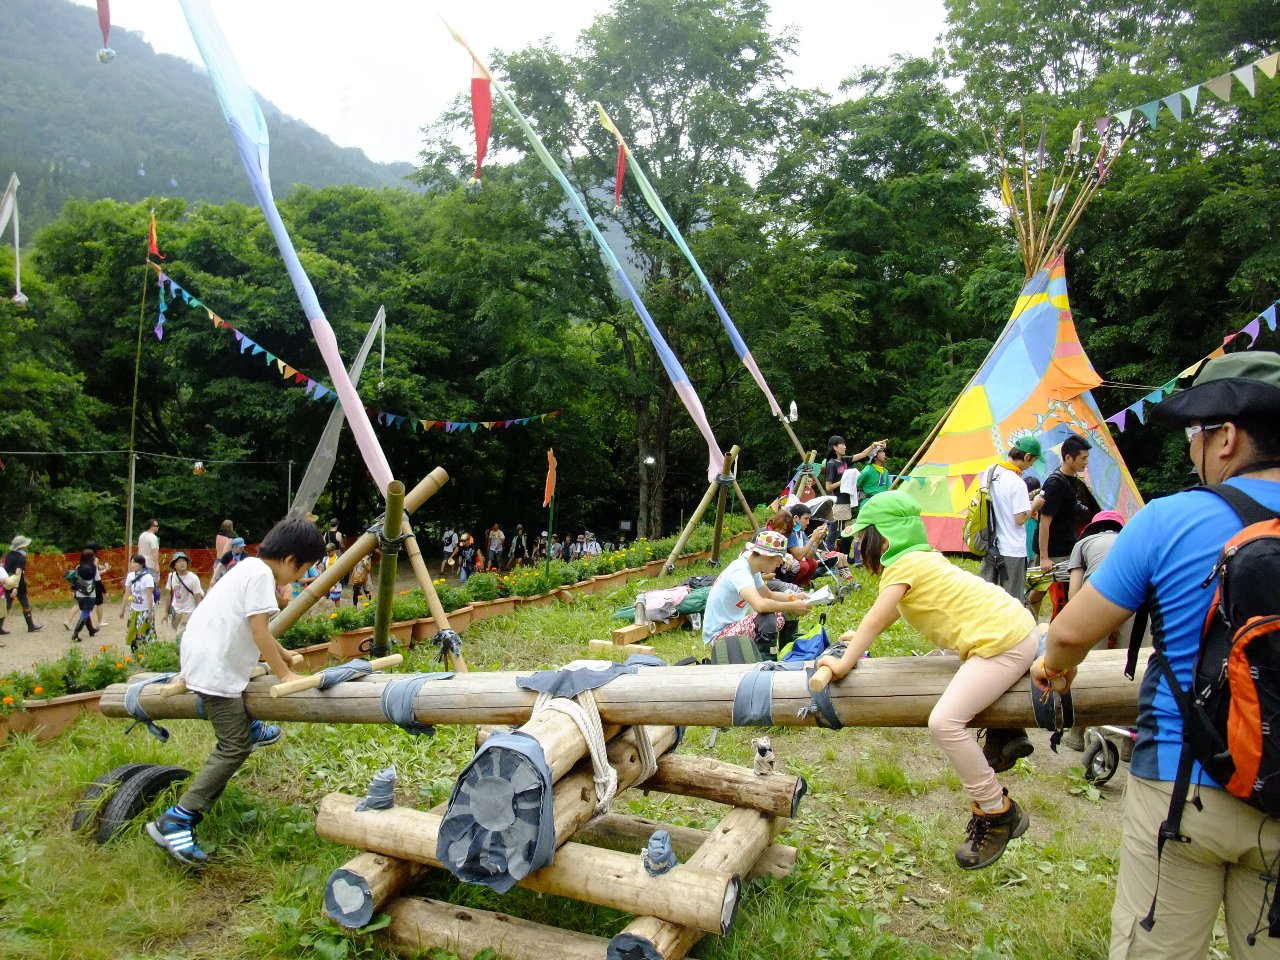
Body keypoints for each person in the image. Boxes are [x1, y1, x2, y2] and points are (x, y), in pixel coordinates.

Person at [1036, 351, 1280, 957]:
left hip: (1184, 787)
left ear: (1226, 438)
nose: (1192, 447)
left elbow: (1068, 634)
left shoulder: (1169, 519)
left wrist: (1055, 672)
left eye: (1197, 433)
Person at [818, 491, 1039, 870]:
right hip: (1011, 629)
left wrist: (841, 665)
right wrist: (859, 638)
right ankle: (1006, 732)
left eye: (861, 538)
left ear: (883, 538)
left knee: (944, 722)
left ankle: (996, 809)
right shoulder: (920, 559)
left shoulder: (903, 566)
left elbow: (876, 617)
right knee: (945, 669)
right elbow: (887, 617)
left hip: (1004, 643)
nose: (858, 546)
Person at [147, 515, 326, 866]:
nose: (302, 576)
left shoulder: (247, 567)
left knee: (250, 685)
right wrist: (284, 673)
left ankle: (249, 726)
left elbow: (253, 630)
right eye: (304, 568)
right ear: (290, 560)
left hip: (202, 659)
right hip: (215, 672)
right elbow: (259, 632)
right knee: (233, 747)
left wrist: (283, 653)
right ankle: (179, 817)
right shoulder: (262, 576)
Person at [702, 529, 811, 660]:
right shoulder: (740, 571)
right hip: (719, 637)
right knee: (767, 617)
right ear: (766, 556)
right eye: (778, 559)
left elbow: (768, 595)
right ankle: (767, 662)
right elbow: (760, 605)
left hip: (733, 626)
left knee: (782, 612)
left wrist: (794, 598)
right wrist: (792, 606)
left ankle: (786, 654)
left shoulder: (751, 566)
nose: (779, 564)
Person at [1030, 433, 1094, 618]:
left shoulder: (1072, 479)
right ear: (1068, 457)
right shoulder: (1055, 483)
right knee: (1039, 590)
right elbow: (1044, 521)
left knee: (1067, 593)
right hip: (1053, 551)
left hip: (1068, 546)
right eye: (1083, 458)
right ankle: (1027, 622)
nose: (1085, 462)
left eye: (1086, 458)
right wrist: (1043, 558)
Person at [978, 437, 1046, 600]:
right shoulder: (1017, 483)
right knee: (1012, 600)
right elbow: (1020, 519)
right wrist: (1034, 505)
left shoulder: (991, 471)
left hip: (991, 544)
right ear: (1027, 456)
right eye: (1033, 461)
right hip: (1012, 549)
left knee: (986, 598)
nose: (1031, 465)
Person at [1, 535, 42, 634]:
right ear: (22, 546)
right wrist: (16, 587)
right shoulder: (21, 557)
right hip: (18, 584)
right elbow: (18, 573)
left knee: (6, 606)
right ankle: (31, 626)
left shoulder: (9, 554)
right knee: (25, 603)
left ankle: (0, 627)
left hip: (7, 582)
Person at [119, 553, 156, 652]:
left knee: (144, 632)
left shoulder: (147, 577)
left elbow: (149, 596)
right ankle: (134, 654)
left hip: (145, 609)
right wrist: (122, 609)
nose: (132, 564)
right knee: (132, 631)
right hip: (134, 608)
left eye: (134, 562)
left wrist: (149, 612)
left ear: (141, 564)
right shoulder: (130, 576)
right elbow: (127, 594)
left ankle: (147, 654)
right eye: (131, 562)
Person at [163, 552, 205, 636]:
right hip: (176, 611)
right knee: (177, 632)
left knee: (179, 636)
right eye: (178, 561)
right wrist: (166, 612)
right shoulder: (171, 577)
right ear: (174, 565)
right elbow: (169, 595)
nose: (182, 563)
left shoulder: (193, 578)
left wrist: (199, 614)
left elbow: (197, 597)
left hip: (189, 611)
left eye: (184, 561)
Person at [68, 549, 100, 643]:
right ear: (91, 557)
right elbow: (97, 580)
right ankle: (76, 633)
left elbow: (75, 580)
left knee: (85, 612)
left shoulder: (78, 567)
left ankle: (91, 630)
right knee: (85, 613)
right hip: (90, 594)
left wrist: (73, 591)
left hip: (79, 594)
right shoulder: (93, 567)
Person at [138, 519, 161, 603]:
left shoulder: (142, 535)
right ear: (152, 527)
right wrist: (156, 564)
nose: (158, 527)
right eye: (156, 526)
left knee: (142, 582)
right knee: (153, 583)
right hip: (150, 563)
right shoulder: (153, 537)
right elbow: (154, 551)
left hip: (140, 563)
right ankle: (154, 599)